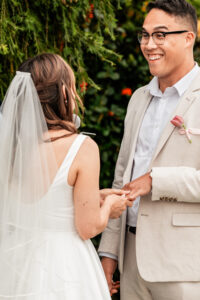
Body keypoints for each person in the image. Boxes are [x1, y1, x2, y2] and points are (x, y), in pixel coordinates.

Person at [0, 53, 133, 299]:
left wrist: (94, 196)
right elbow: (87, 226)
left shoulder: (11, 148)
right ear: (63, 93)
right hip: (64, 266)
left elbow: (38, 202)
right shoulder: (81, 147)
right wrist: (110, 207)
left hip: (16, 261)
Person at [99, 0, 200, 299]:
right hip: (131, 264)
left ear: (188, 38)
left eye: (160, 35)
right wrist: (109, 256)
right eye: (144, 35)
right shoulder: (139, 99)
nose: (148, 44)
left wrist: (156, 180)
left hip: (184, 265)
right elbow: (121, 179)